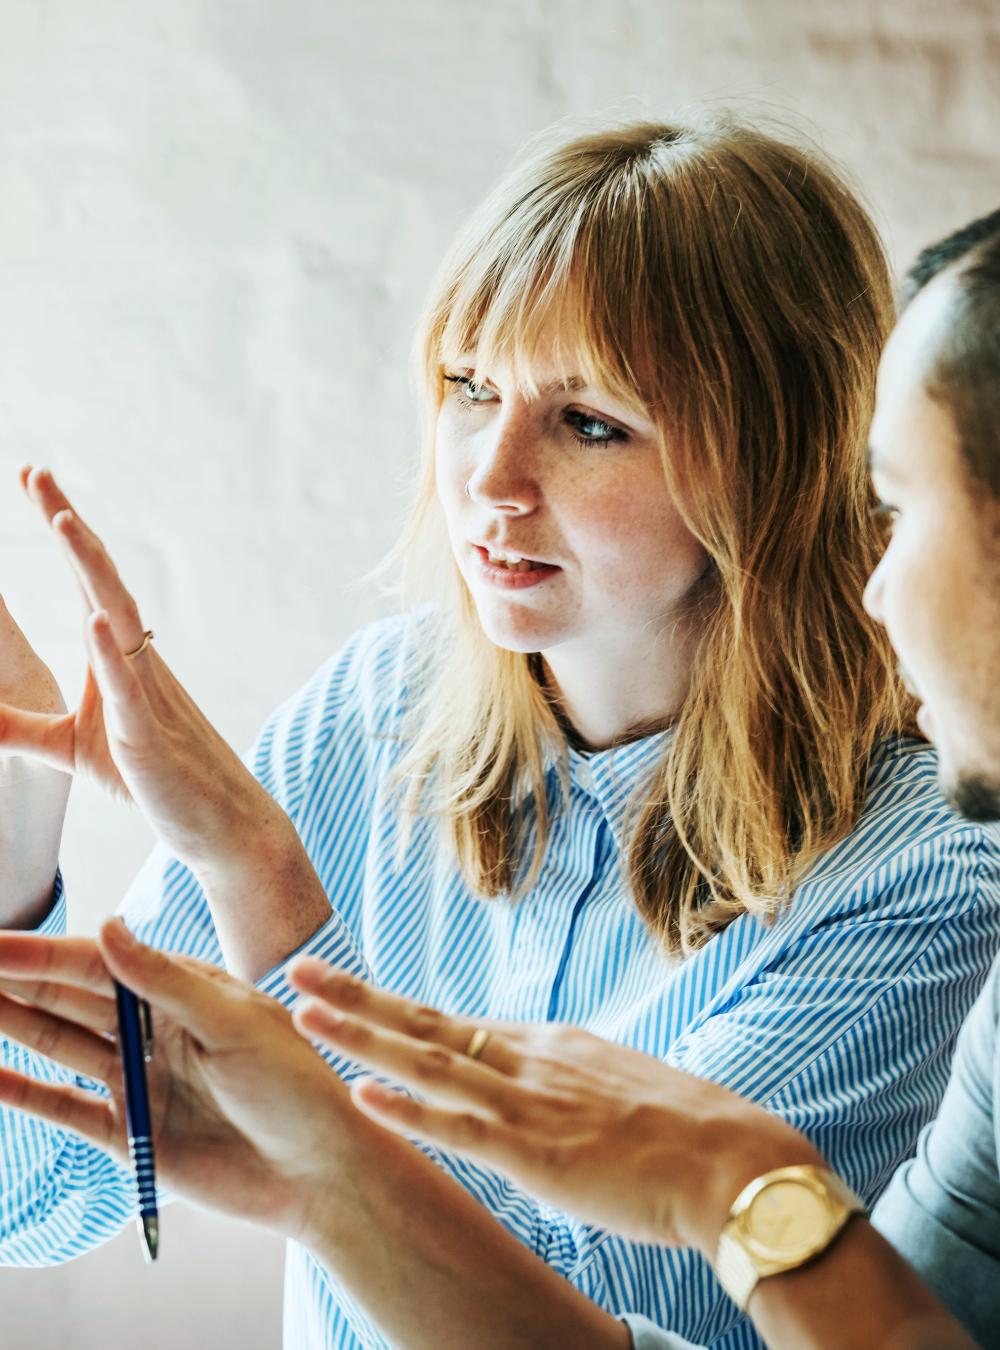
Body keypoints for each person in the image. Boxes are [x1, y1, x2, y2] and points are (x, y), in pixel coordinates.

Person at [0, 120, 997, 1350]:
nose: (489, 477)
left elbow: (568, 1309)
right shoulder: (376, 711)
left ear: (771, 461)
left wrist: (263, 885)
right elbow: (33, 1199)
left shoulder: (924, 865)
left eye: (588, 423)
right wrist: (16, 824)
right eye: (469, 388)